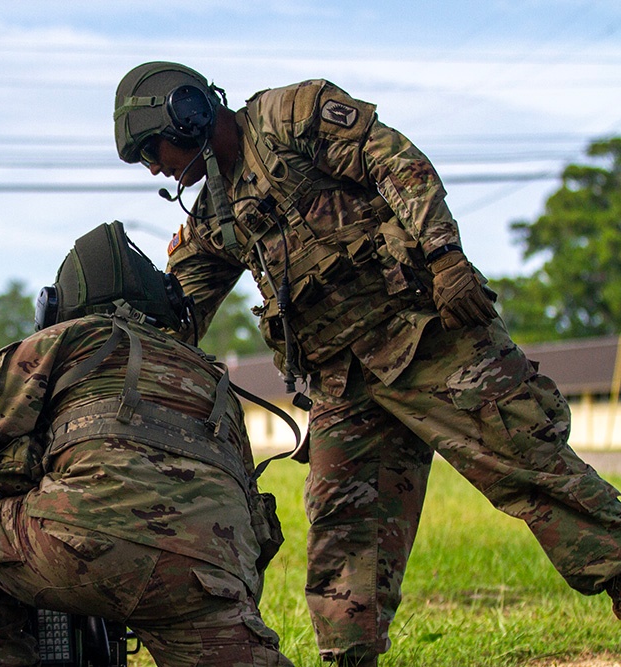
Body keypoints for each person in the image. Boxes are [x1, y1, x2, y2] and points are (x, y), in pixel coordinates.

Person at [113, 61, 621, 666]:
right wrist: (105, 322)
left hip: (428, 340)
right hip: (345, 384)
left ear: (187, 110)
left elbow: (396, 162)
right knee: (343, 526)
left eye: (153, 148)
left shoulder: (290, 117)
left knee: (537, 474)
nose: (154, 168)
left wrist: (445, 254)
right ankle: (350, 660)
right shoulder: (215, 216)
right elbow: (176, 307)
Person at [0, 221, 294, 666]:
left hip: (80, 546)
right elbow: (251, 512)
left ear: (57, 306)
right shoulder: (210, 376)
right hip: (206, 577)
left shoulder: (66, 338)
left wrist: (11, 478)